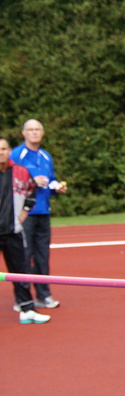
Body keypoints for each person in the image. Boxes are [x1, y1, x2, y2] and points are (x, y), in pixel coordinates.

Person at [9, 119, 67, 309]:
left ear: (42, 133)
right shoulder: (16, 155)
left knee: (42, 255)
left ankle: (43, 295)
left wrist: (55, 187)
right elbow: (9, 180)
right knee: (23, 256)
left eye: (37, 130)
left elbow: (50, 181)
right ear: (23, 133)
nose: (34, 133)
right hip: (23, 214)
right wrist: (33, 180)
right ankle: (22, 299)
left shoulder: (46, 156)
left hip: (43, 212)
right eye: (30, 130)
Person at [0, 138, 50, 324]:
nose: (1, 153)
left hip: (14, 231)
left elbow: (32, 189)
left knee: (21, 271)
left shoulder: (20, 171)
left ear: (9, 151)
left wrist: (25, 209)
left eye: (4, 149)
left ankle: (27, 309)